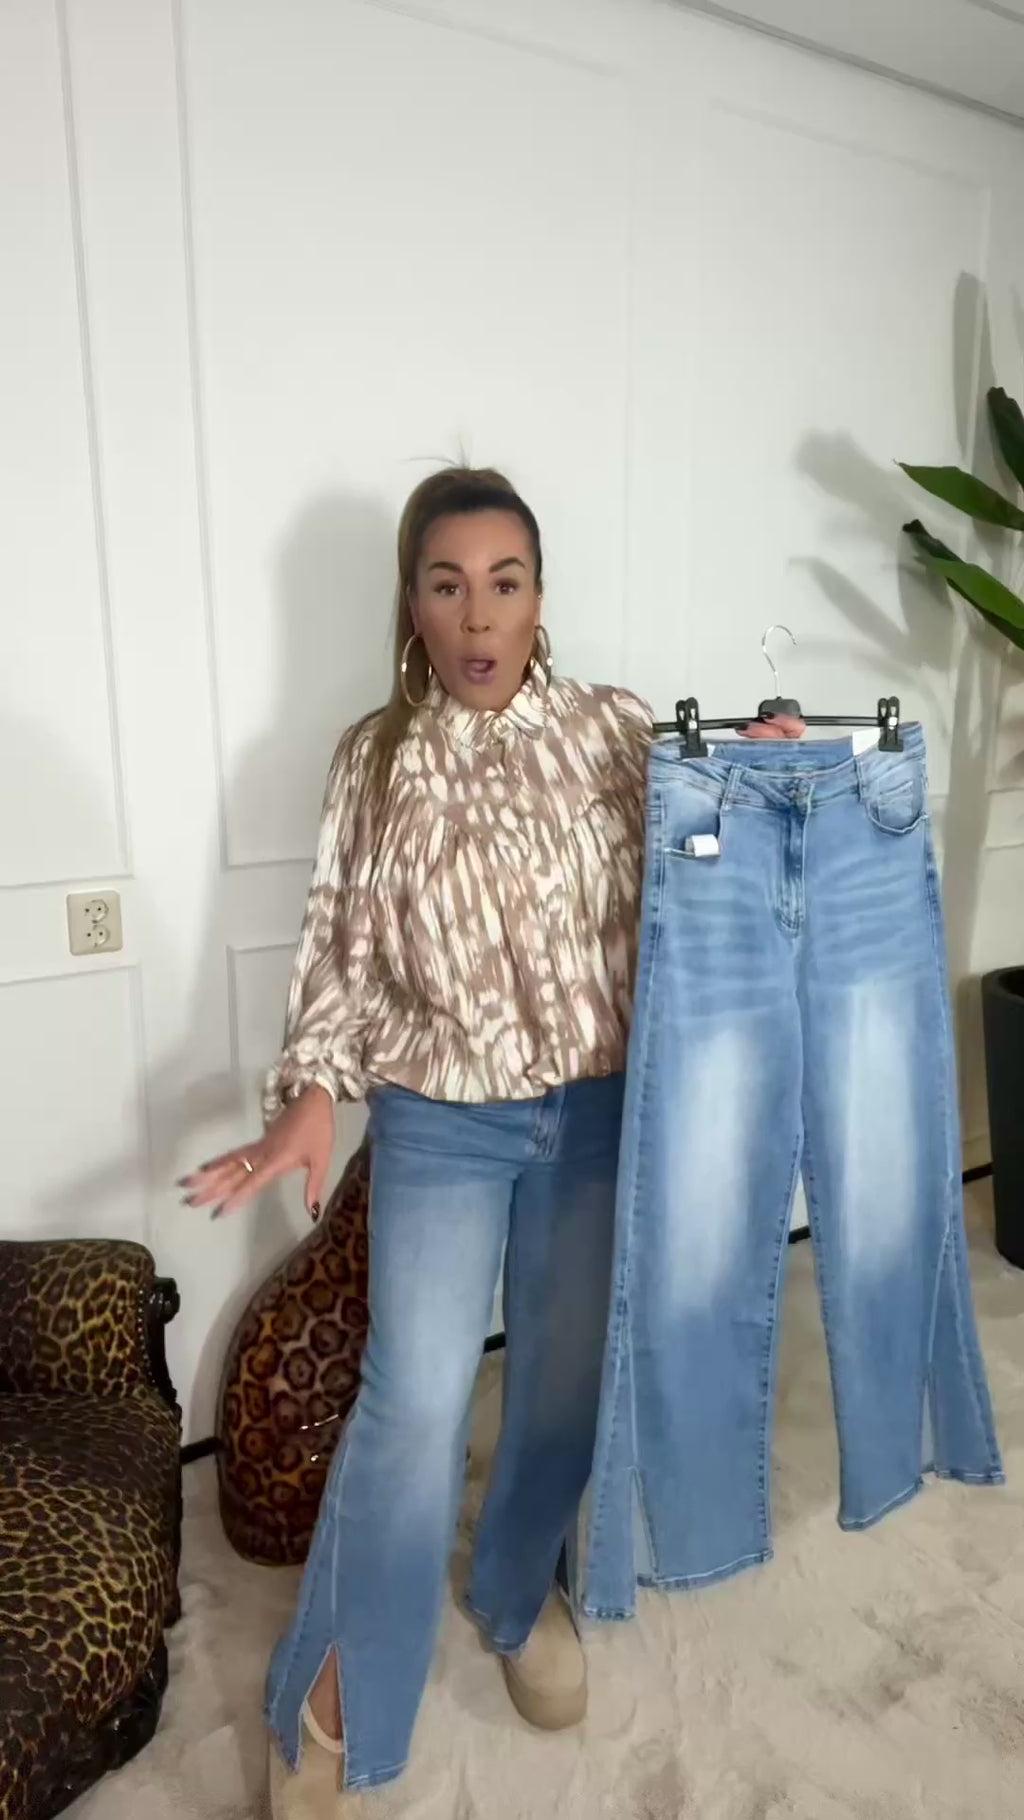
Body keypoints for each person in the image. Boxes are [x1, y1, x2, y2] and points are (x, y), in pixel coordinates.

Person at [183, 467, 802, 1814]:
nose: (478, 617)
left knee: (564, 1387)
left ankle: (516, 1594)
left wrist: (763, 772)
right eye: (448, 584)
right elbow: (340, 946)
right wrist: (312, 1093)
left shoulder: (612, 729)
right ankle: (335, 1690)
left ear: (537, 598)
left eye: (504, 584)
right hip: (440, 1126)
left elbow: (701, 861)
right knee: (413, 1409)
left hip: (594, 1115)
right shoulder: (375, 758)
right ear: (412, 604)